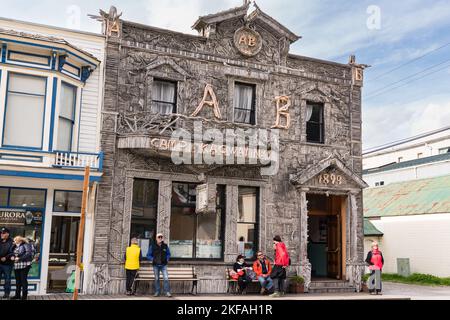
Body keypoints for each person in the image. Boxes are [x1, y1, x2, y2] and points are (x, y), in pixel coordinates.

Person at [147, 233, 172, 297]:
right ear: (156, 238)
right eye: (159, 237)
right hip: (156, 265)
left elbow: (168, 254)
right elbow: (148, 255)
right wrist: (153, 259)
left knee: (166, 278)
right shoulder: (152, 246)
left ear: (162, 238)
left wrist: (167, 259)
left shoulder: (165, 246)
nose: (160, 238)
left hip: (164, 265)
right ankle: (157, 292)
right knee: (157, 279)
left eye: (161, 237)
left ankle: (167, 292)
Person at [11, 236, 33, 300]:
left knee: (23, 280)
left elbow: (28, 253)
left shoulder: (26, 244)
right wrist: (11, 257)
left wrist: (19, 258)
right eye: (14, 240)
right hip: (16, 265)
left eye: (15, 240)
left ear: (20, 241)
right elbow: (12, 253)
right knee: (18, 281)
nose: (14, 242)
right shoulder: (15, 246)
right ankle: (17, 295)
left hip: (24, 264)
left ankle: (24, 296)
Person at [0, 227, 14, 299]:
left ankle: (6, 294)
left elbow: (13, 252)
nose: (1, 234)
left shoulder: (12, 242)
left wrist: (6, 257)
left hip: (7, 264)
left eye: (3, 233)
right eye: (1, 233)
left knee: (7, 279)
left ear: (7, 234)